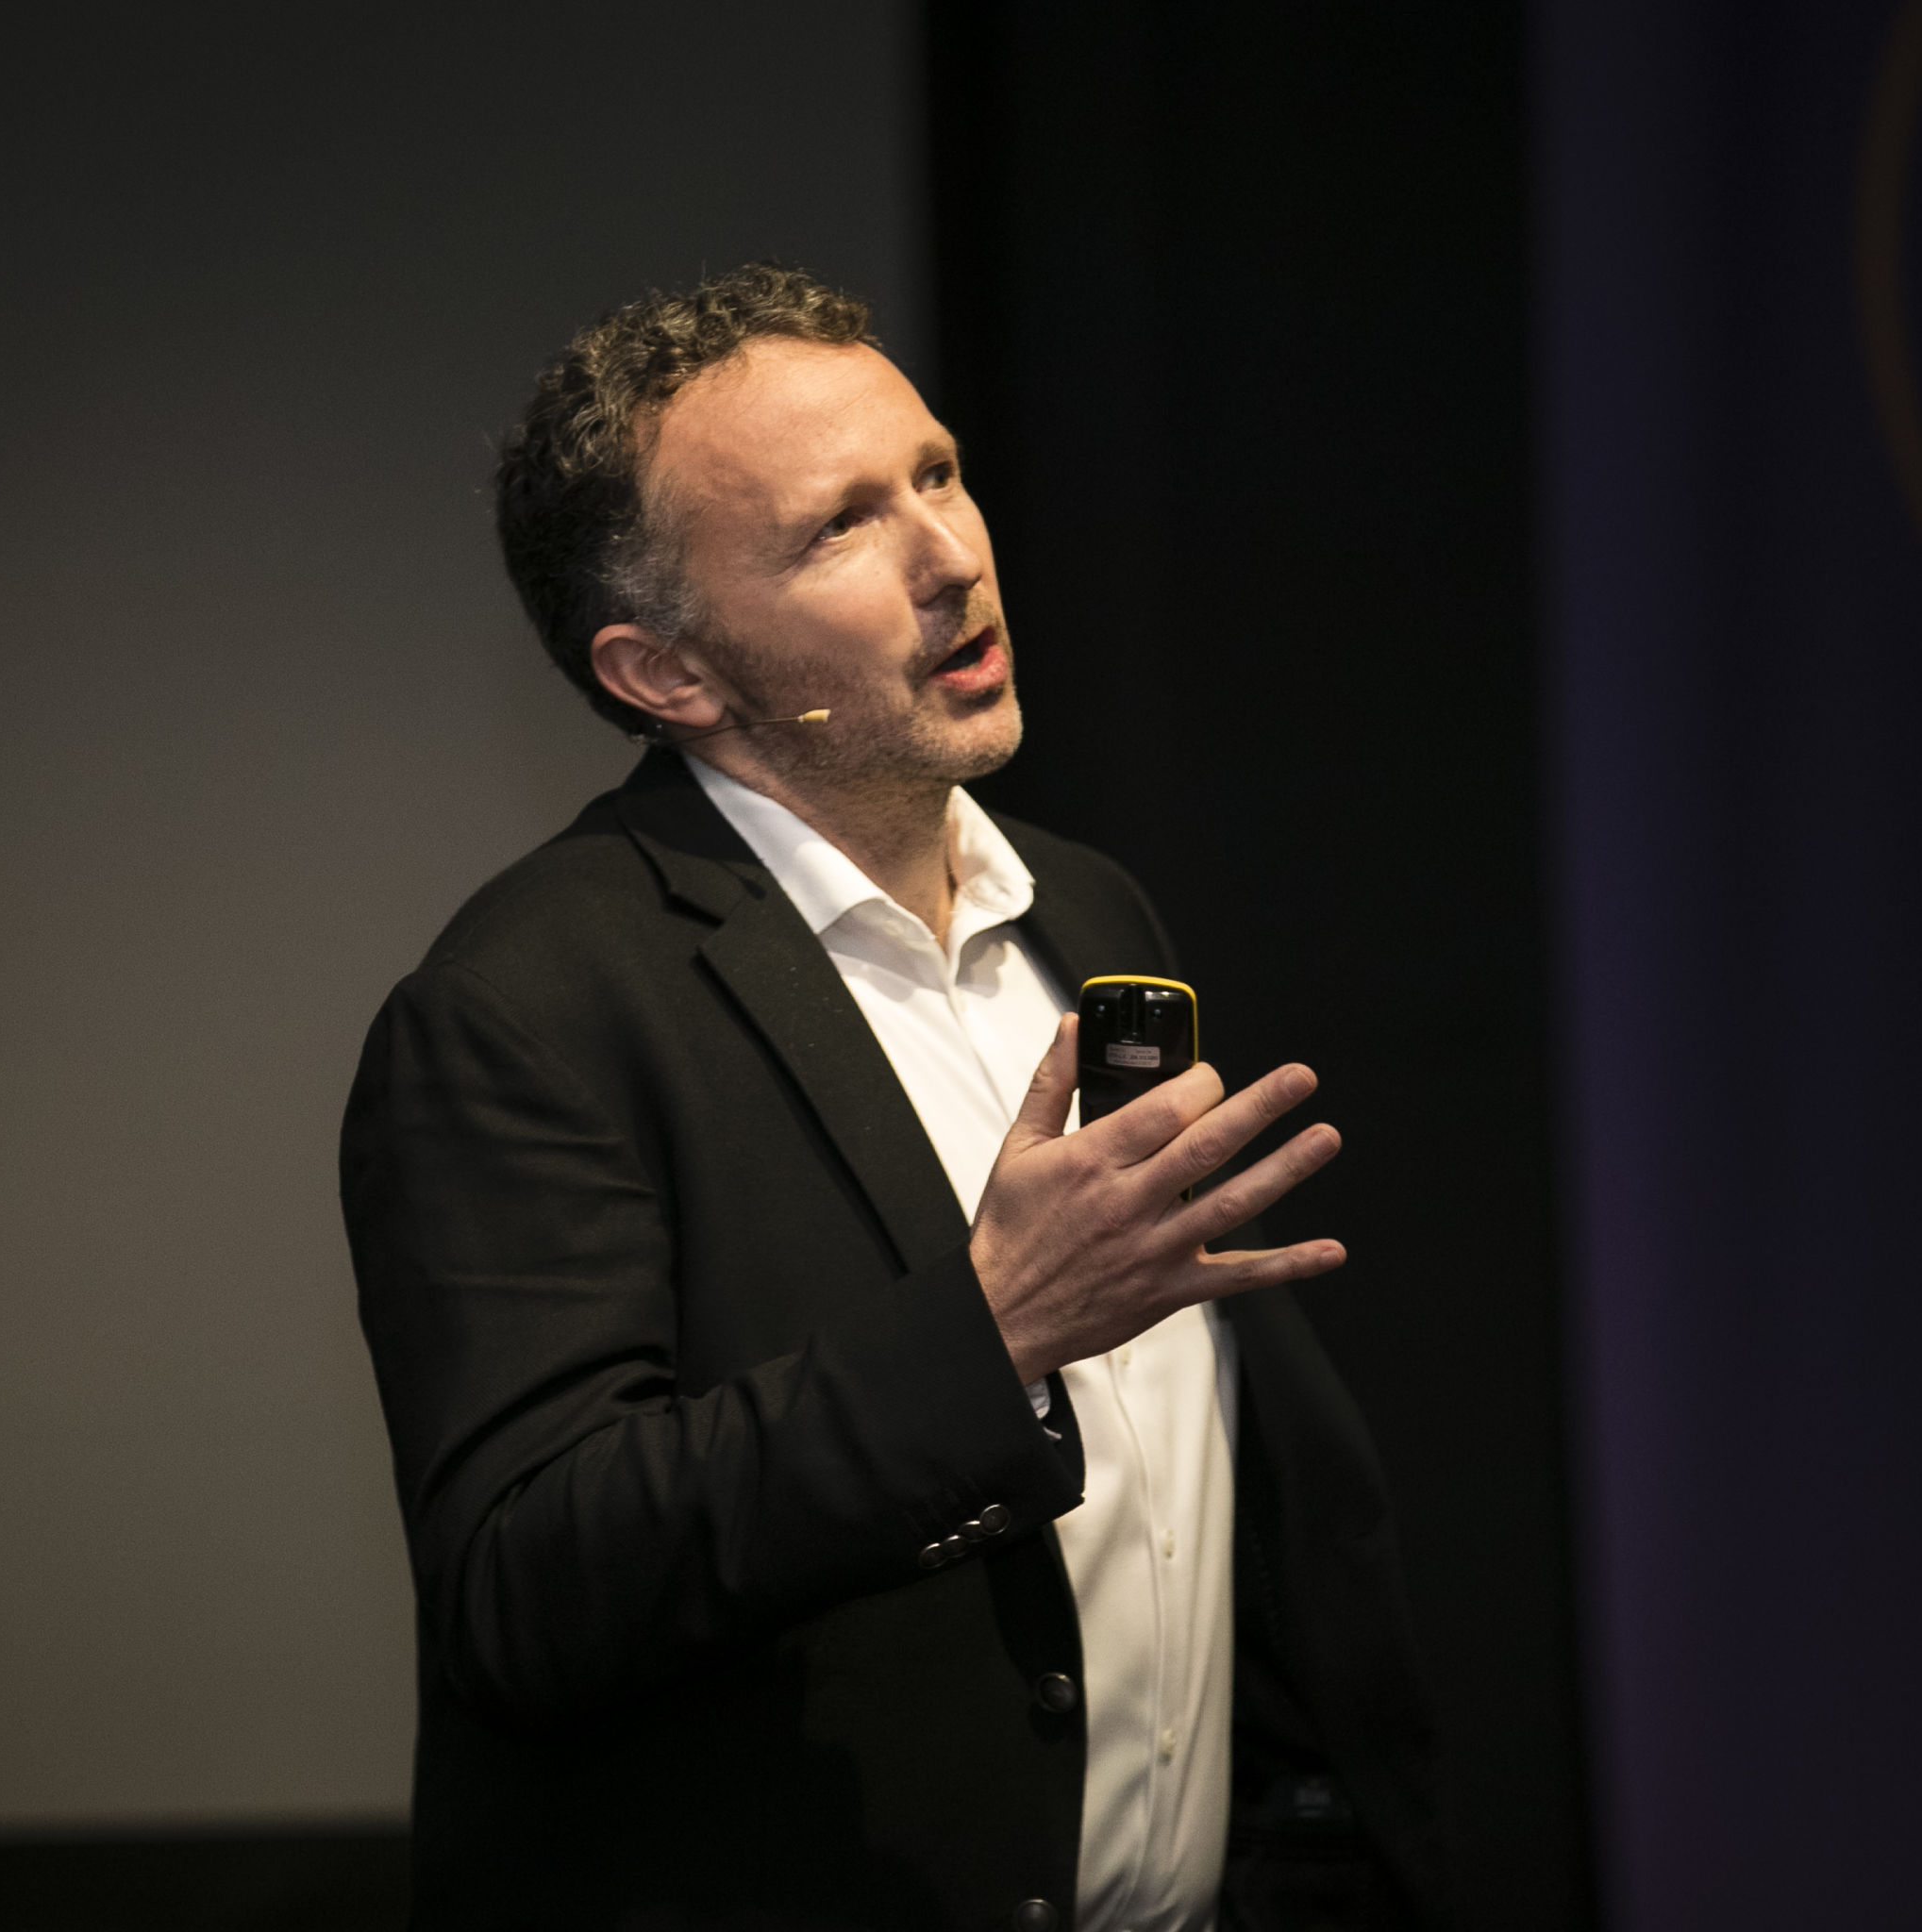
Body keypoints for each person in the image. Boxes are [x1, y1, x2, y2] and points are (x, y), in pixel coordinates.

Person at [341, 265, 1448, 1932]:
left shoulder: (1084, 913)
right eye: (838, 528)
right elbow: (527, 1581)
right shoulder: (523, 1011)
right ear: (667, 676)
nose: (952, 554)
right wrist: (990, 1334)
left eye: (935, 471)